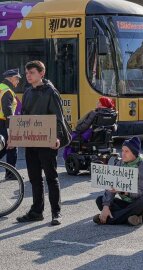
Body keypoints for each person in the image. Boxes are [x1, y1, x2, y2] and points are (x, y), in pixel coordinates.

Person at [16, 61, 67, 226]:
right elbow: (24, 118)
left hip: (47, 142)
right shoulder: (28, 91)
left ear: (41, 73)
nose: (28, 76)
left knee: (51, 178)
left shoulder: (51, 92)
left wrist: (58, 138)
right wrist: (15, 138)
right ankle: (36, 212)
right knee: (34, 178)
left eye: (31, 72)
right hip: (31, 142)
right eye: (26, 73)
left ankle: (56, 213)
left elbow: (58, 117)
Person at [93, 136, 143, 226]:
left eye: (127, 151)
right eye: (122, 150)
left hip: (142, 205)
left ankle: (108, 220)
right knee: (100, 200)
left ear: (134, 153)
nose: (123, 154)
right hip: (126, 204)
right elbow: (110, 186)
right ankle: (134, 218)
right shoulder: (120, 163)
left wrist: (125, 191)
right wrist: (106, 206)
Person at [0, 69, 20, 179]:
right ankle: (11, 174)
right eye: (17, 79)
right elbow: (7, 112)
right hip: (4, 123)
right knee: (11, 146)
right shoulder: (7, 91)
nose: (18, 82)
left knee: (3, 147)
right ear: (11, 78)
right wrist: (10, 131)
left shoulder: (1, 88)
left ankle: (10, 173)